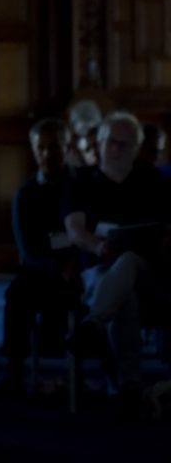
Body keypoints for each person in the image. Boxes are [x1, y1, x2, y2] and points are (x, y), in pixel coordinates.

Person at [63, 111, 171, 415]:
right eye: (112, 142)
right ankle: (129, 387)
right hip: (98, 270)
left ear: (136, 148)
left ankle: (92, 326)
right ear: (99, 142)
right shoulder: (81, 181)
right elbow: (74, 228)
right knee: (123, 291)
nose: (117, 149)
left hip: (149, 272)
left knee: (128, 263)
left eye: (125, 144)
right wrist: (96, 245)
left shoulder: (154, 181)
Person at [0, 118, 80, 393]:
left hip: (76, 266)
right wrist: (58, 266)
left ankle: (81, 372)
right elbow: (28, 249)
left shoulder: (81, 185)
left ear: (66, 147)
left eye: (54, 147)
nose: (47, 154)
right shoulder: (25, 194)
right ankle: (15, 371)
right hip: (42, 269)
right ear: (33, 150)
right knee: (16, 294)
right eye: (41, 148)